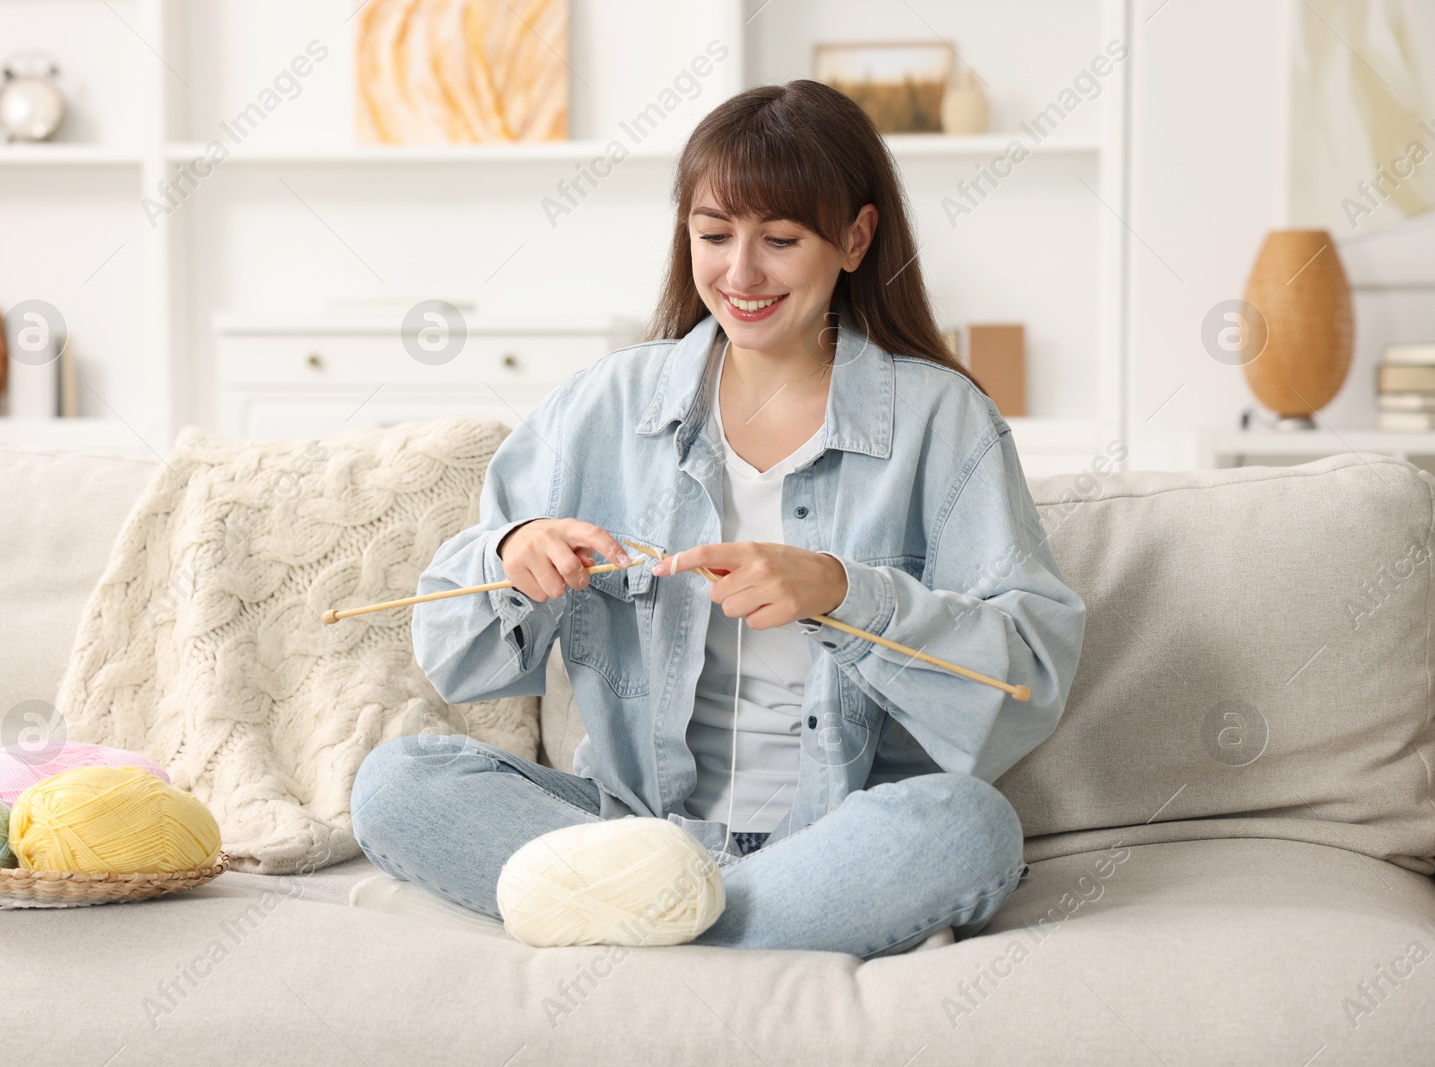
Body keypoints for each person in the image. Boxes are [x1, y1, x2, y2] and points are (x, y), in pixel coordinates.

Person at [351, 79, 1087, 958]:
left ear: (855, 238)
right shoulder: (603, 406)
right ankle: (735, 928)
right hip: (634, 830)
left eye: (780, 239)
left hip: (834, 840)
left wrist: (851, 595)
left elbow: (1026, 680)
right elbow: (453, 656)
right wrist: (513, 556)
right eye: (712, 235)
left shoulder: (943, 420)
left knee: (970, 828)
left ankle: (659, 925)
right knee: (396, 782)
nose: (739, 274)